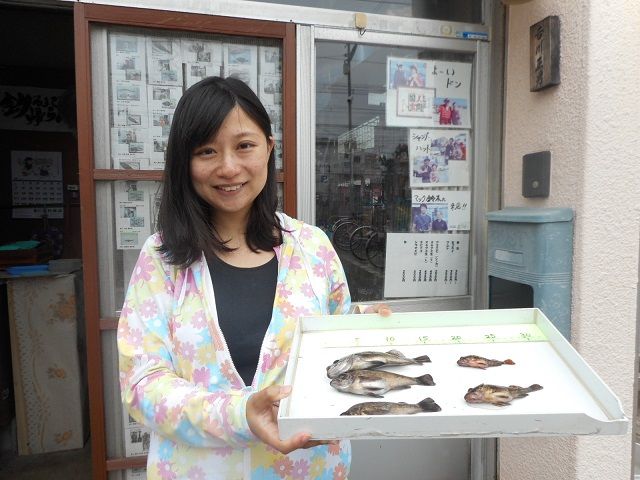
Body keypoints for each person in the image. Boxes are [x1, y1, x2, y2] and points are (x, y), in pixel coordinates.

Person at [117, 76, 390, 480]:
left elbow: (331, 347)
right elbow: (142, 384)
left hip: (310, 468)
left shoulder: (312, 247)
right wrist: (240, 413)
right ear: (184, 162)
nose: (229, 167)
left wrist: (365, 329)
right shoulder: (162, 259)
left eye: (244, 145)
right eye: (207, 151)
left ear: (269, 147)